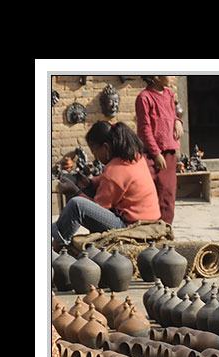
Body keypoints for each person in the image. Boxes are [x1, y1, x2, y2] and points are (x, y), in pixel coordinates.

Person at [53, 121, 161, 250]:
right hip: (146, 218)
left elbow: (99, 206)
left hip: (130, 225)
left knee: (77, 205)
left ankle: (57, 244)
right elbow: (114, 181)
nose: (96, 157)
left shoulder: (114, 171)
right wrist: (90, 182)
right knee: (86, 193)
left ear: (106, 147)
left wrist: (76, 191)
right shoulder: (135, 157)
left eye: (95, 152)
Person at [135, 75, 184, 225]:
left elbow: (172, 113)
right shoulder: (144, 98)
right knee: (149, 194)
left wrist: (177, 121)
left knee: (168, 195)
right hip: (150, 154)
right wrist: (156, 153)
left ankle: (166, 230)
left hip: (169, 152)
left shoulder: (169, 94)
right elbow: (144, 128)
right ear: (155, 76)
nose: (173, 76)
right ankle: (149, 230)